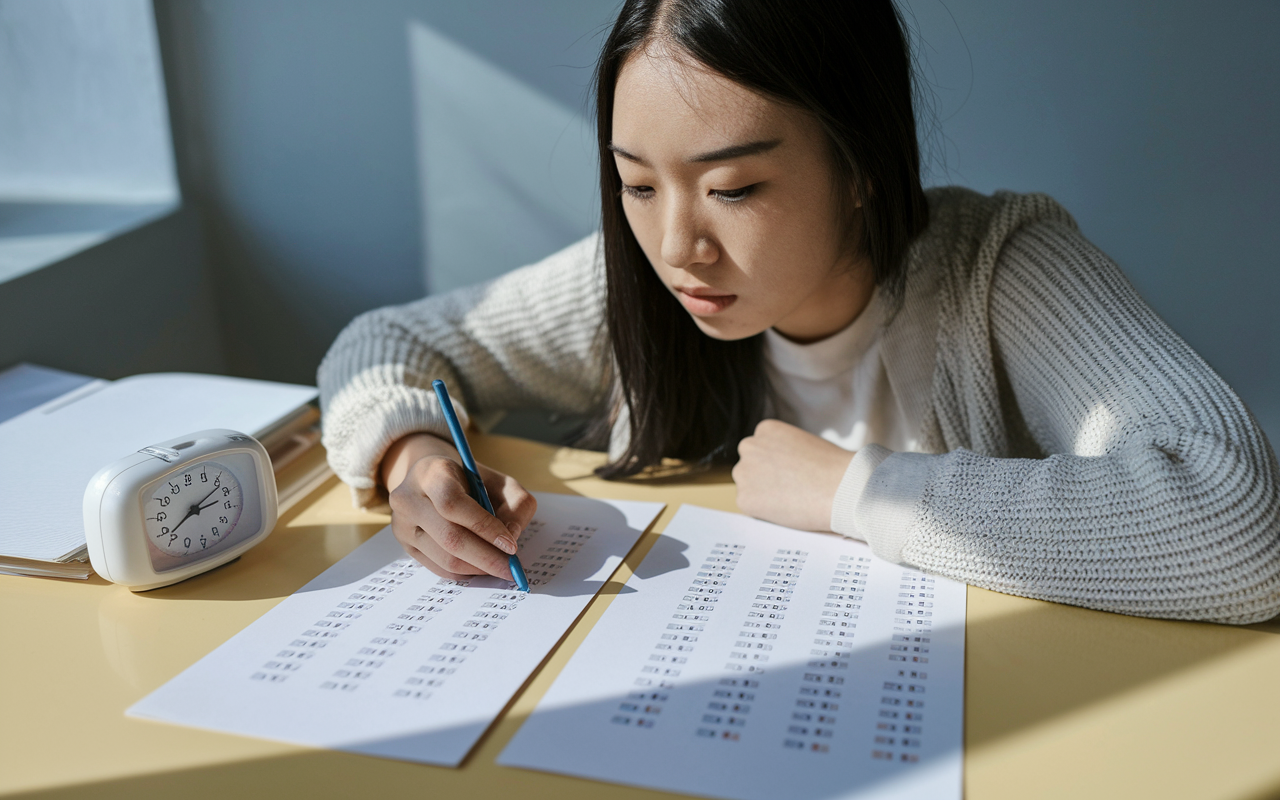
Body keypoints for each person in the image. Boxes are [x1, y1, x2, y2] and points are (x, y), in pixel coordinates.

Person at [318, 0, 1280, 624]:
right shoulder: (636, 283)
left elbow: (1239, 523)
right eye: (636, 186)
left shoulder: (1002, 271)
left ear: (860, 164)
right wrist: (413, 458)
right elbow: (386, 346)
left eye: (732, 189)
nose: (676, 247)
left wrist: (849, 490)